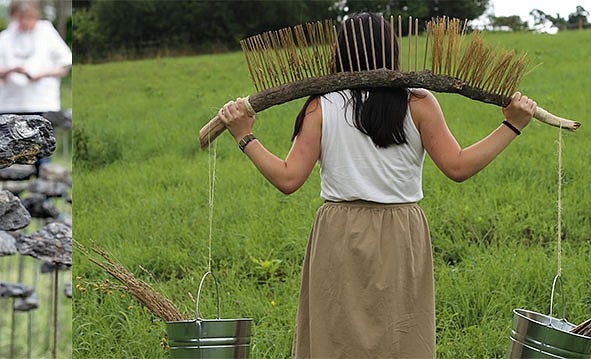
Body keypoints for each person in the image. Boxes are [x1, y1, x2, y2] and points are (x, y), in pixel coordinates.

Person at [215, 14, 538, 358]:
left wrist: (244, 135)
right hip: (401, 232)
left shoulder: (321, 106)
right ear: (392, 52)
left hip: (339, 233)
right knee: (399, 339)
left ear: (339, 54)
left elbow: (288, 178)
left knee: (335, 340)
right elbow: (458, 167)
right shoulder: (419, 102)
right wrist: (512, 126)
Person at [0, 0, 70, 116]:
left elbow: (64, 66)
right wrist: (12, 70)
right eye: (20, 18)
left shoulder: (47, 32)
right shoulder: (5, 37)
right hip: (10, 104)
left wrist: (42, 74)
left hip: (42, 103)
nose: (25, 22)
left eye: (29, 17)